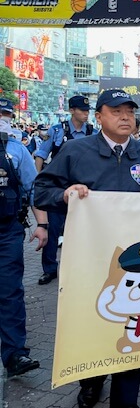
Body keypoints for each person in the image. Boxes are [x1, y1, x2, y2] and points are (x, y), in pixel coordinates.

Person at [34, 89, 140, 408]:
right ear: (99, 117)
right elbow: (41, 190)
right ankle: (91, 383)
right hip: (90, 261)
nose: (125, 117)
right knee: (95, 324)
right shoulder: (75, 151)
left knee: (132, 326)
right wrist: (65, 195)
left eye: (129, 112)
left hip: (136, 265)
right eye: (116, 111)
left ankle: (126, 400)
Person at [0, 98, 47, 378]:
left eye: (6, 114)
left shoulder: (16, 149)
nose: (3, 118)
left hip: (7, 231)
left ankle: (15, 353)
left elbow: (33, 190)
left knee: (9, 292)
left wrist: (41, 224)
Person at [33, 95, 94, 286]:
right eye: (82, 110)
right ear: (71, 110)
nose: (85, 114)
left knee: (80, 231)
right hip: (59, 189)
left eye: (87, 110)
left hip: (83, 191)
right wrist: (38, 180)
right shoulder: (58, 131)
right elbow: (41, 155)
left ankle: (79, 269)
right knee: (52, 230)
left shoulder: (92, 132)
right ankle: (50, 269)